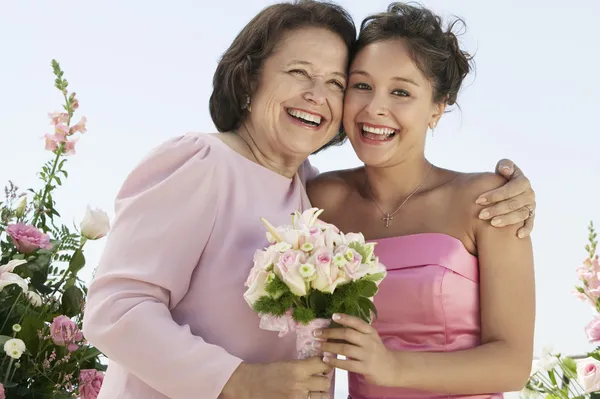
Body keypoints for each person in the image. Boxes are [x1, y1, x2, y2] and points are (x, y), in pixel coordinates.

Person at [81, 1, 536, 398]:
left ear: (438, 107)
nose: (318, 96)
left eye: (336, 82)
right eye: (299, 72)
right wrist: (239, 381)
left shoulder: (306, 188)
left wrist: (518, 190)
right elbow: (115, 309)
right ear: (249, 78)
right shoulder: (205, 162)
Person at [309, 3, 535, 399]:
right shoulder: (322, 200)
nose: (375, 107)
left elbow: (512, 365)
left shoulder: (488, 201)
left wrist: (392, 366)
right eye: (361, 85)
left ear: (437, 108)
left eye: (401, 92)